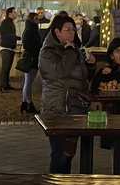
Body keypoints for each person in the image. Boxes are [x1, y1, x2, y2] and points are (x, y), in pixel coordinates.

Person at [39, 13, 94, 173]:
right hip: (58, 107)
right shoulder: (48, 52)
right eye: (68, 29)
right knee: (59, 153)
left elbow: (81, 76)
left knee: (69, 152)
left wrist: (91, 65)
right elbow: (60, 72)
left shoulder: (74, 49)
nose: (72, 33)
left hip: (75, 106)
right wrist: (70, 52)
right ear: (57, 32)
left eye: (73, 30)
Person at [18, 11, 41, 114]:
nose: (38, 20)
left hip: (31, 58)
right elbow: (28, 44)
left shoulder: (30, 29)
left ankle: (24, 102)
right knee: (28, 82)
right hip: (32, 58)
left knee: (28, 82)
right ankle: (29, 103)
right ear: (32, 19)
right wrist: (36, 49)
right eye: (36, 18)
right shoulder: (31, 30)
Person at [0, 7, 18, 92]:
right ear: (10, 14)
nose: (16, 13)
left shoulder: (10, 22)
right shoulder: (5, 23)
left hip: (10, 48)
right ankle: (2, 86)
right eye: (14, 12)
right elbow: (6, 35)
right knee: (5, 68)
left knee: (8, 68)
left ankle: (6, 85)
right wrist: (16, 37)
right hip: (6, 48)